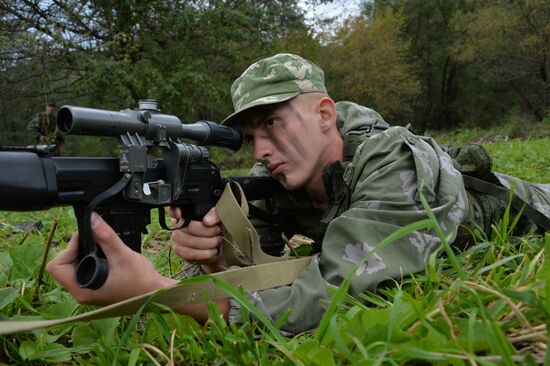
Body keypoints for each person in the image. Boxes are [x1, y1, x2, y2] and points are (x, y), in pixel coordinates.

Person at [47, 54, 550, 334]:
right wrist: (213, 255)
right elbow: (253, 279)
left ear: (325, 115)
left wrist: (161, 295)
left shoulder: (390, 159)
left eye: (272, 124)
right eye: (251, 137)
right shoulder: (279, 180)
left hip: (533, 207)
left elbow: (334, 296)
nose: (262, 149)